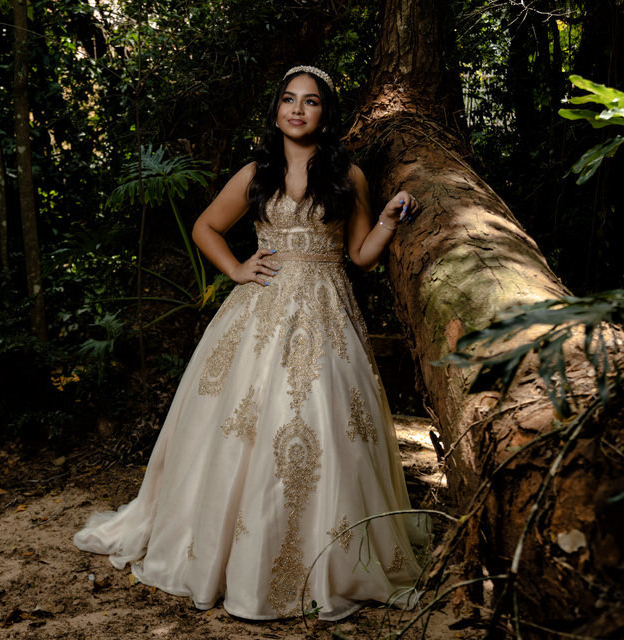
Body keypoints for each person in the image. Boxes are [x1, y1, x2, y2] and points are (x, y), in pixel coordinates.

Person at [74, 65, 427, 621]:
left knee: (322, 426)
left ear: (325, 114)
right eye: (288, 99)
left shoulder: (347, 175)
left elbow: (360, 256)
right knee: (243, 424)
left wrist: (385, 218)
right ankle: (230, 554)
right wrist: (237, 268)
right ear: (277, 110)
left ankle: (323, 556)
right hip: (260, 312)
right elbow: (204, 227)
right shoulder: (256, 172)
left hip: (327, 313)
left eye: (310, 102)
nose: (297, 110)